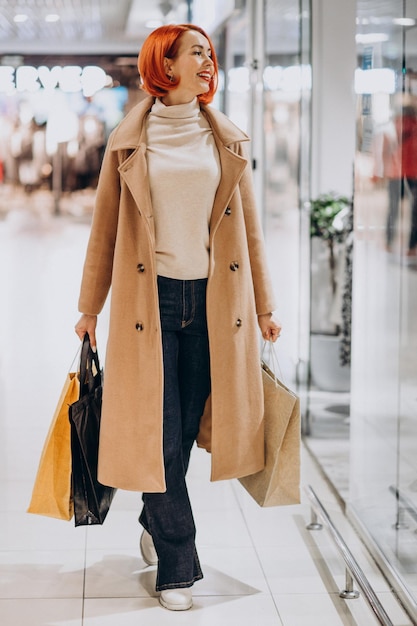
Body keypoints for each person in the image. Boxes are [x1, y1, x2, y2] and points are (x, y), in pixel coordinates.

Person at [75, 23, 281, 612]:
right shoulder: (129, 140)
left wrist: (265, 307)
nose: (207, 61)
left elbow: (251, 235)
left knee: (184, 432)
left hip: (216, 307)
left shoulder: (226, 140)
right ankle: (177, 564)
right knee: (159, 433)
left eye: (210, 53)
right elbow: (105, 232)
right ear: (164, 63)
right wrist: (88, 309)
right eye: (196, 52)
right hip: (151, 305)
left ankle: (154, 515)